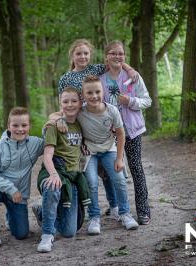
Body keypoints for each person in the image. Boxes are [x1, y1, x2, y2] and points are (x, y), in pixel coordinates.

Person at [57, 38, 137, 218]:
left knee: (108, 171)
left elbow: (115, 61)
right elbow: (62, 103)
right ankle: (85, 211)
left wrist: (129, 69)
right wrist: (60, 118)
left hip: (101, 120)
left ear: (90, 55)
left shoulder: (96, 69)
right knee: (90, 173)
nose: (82, 56)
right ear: (72, 56)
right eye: (78, 53)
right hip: (79, 125)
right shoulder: (66, 78)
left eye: (86, 53)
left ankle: (115, 205)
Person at [53, 76, 139, 234]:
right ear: (83, 95)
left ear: (103, 91)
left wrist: (120, 159)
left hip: (109, 149)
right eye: (89, 93)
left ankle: (125, 213)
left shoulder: (112, 110)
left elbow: (120, 134)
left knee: (119, 179)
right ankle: (94, 217)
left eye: (97, 92)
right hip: (90, 152)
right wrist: (58, 120)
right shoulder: (80, 111)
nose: (94, 96)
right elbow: (60, 113)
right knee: (91, 182)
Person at [100, 41, 152, 225]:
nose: (117, 57)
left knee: (136, 168)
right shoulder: (101, 80)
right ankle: (120, 209)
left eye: (120, 54)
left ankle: (143, 210)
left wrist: (130, 101)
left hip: (133, 130)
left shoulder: (133, 77)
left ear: (125, 56)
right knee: (114, 171)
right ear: (106, 56)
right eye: (113, 53)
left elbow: (147, 100)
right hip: (111, 133)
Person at [34, 87, 89, 253]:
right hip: (54, 169)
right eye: (66, 101)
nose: (70, 104)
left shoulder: (82, 123)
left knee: (69, 231)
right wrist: (53, 174)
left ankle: (43, 210)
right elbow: (47, 156)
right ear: (60, 104)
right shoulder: (54, 126)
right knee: (53, 185)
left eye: (74, 101)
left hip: (72, 177)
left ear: (80, 103)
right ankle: (47, 234)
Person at [0, 107, 44, 246]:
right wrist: (11, 189)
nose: (20, 129)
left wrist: (56, 122)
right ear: (8, 126)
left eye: (24, 125)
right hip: (0, 189)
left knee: (21, 234)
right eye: (15, 125)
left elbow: (53, 142)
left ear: (29, 126)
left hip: (18, 197)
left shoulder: (35, 144)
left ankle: (11, 216)